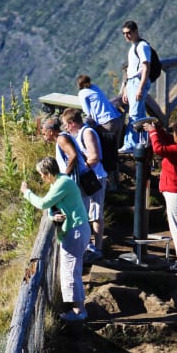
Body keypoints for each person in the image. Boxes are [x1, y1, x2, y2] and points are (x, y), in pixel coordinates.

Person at [21, 156, 91, 322]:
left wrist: (26, 193)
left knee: (70, 271)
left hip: (75, 232)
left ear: (46, 174)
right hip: (77, 229)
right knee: (72, 270)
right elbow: (55, 205)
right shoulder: (61, 182)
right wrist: (53, 216)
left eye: (41, 174)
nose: (41, 178)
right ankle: (79, 307)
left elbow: (44, 203)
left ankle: (78, 311)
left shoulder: (61, 184)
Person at [143, 118, 177, 273]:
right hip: (176, 191)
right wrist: (158, 130)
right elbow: (166, 141)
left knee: (176, 227)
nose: (172, 135)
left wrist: (152, 132)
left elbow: (159, 148)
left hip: (175, 192)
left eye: (174, 133)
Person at [61, 107, 107, 262]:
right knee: (88, 212)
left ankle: (97, 248)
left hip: (94, 177)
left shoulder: (87, 133)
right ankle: (90, 246)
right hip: (89, 177)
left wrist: (82, 168)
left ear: (72, 123)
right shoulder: (80, 133)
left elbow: (94, 157)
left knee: (95, 213)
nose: (66, 128)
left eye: (66, 125)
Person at [120, 20, 152, 152]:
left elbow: (146, 67)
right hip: (132, 83)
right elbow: (130, 70)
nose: (126, 36)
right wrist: (126, 88)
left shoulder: (142, 46)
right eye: (124, 34)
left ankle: (131, 144)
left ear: (135, 31)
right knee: (140, 115)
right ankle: (144, 141)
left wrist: (140, 87)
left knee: (133, 115)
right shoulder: (133, 47)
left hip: (138, 82)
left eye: (129, 33)